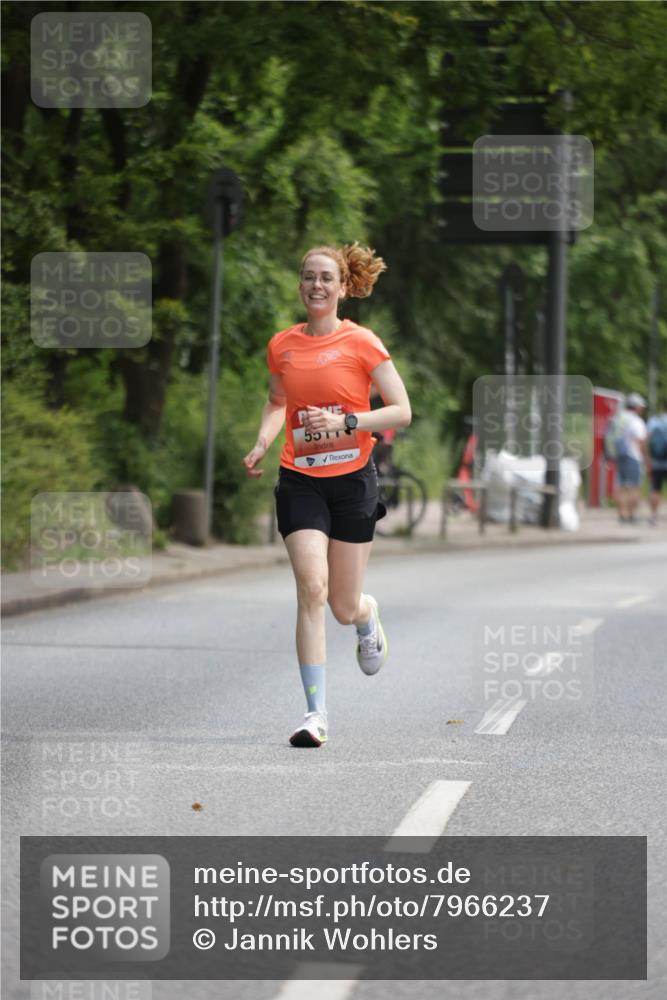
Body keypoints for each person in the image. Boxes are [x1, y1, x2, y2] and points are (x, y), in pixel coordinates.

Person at [243, 242, 411, 747]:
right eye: (308, 276)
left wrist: (346, 422)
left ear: (342, 288)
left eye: (325, 278)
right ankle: (315, 715)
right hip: (300, 479)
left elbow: (401, 410)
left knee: (341, 605)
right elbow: (277, 401)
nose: (316, 285)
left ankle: (366, 614)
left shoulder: (362, 343)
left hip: (353, 479)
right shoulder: (283, 346)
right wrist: (262, 441)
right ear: (301, 285)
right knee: (311, 589)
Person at [614, 392, 648, 524]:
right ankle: (631, 515)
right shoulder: (636, 421)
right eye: (641, 406)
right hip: (633, 456)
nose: (642, 409)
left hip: (620, 456)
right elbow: (640, 441)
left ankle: (622, 515)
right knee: (634, 487)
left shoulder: (618, 418)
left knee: (621, 487)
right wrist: (645, 457)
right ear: (636, 406)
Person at [647, 399, 667, 526]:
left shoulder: (654, 421)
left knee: (655, 489)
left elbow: (646, 440)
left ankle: (654, 516)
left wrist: (647, 458)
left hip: (656, 462)